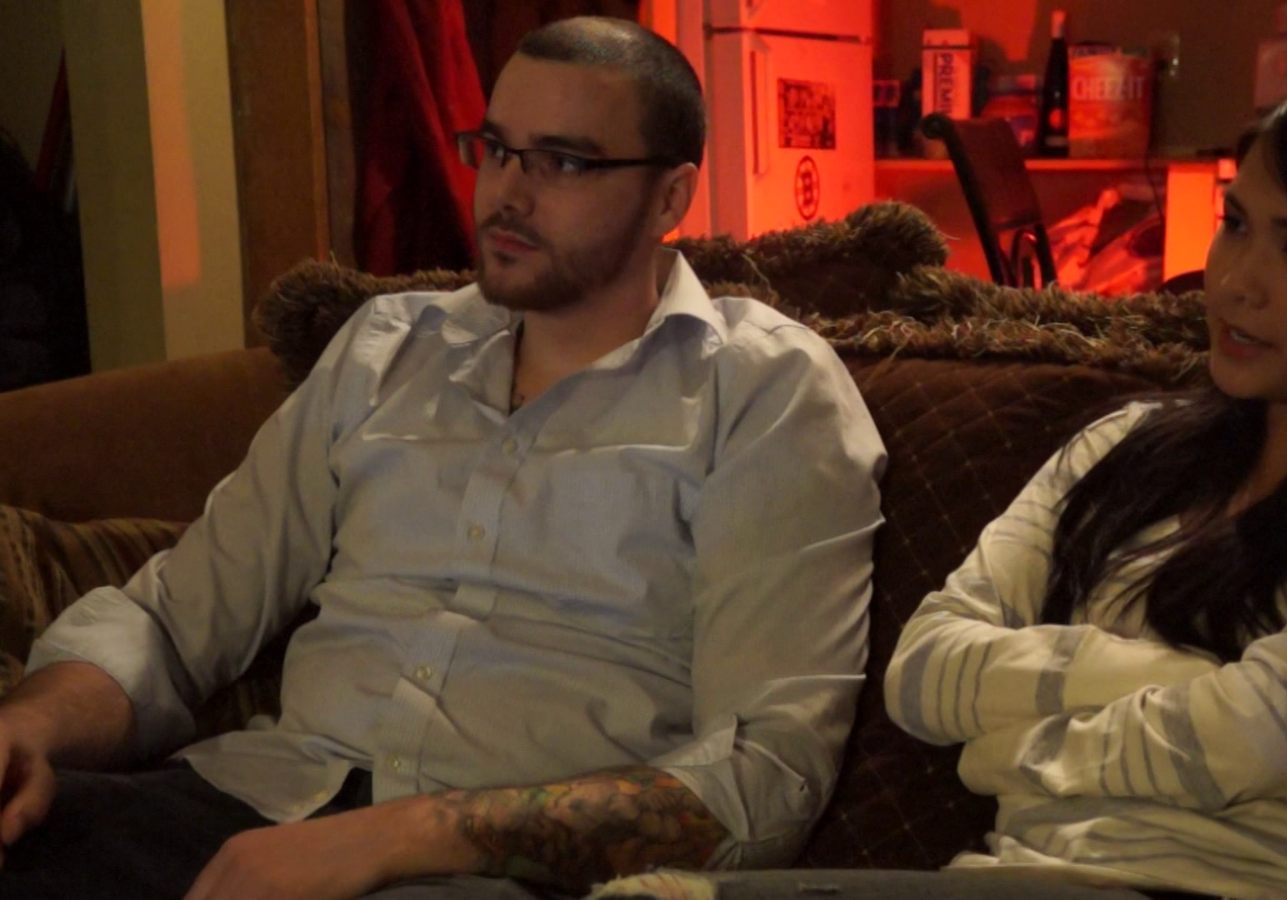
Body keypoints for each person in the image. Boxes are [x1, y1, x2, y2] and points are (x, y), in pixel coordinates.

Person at [590, 66, 1287, 900]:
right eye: (1236, 224)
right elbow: (923, 672)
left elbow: (1268, 739)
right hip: (1016, 876)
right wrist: (1191, 687)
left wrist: (1005, 749)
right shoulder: (1125, 445)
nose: (1237, 280)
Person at [0, 16, 885, 900]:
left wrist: (399, 838)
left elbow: (764, 778)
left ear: (670, 197)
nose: (507, 193)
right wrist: (31, 728)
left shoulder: (762, 389)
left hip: (497, 869)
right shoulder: (388, 349)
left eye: (563, 162)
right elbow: (172, 620)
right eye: (496, 150)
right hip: (257, 800)